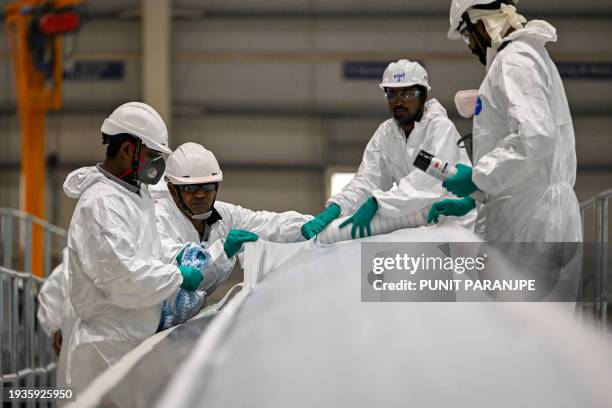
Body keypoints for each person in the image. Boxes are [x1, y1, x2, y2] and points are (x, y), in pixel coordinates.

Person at [62, 102, 204, 394]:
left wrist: (175, 259)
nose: (158, 166)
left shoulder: (137, 196)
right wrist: (177, 276)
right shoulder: (101, 203)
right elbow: (121, 276)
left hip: (132, 340)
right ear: (128, 149)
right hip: (107, 350)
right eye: (153, 156)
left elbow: (145, 254)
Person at [433, 0, 582, 243]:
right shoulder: (522, 56)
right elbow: (528, 158)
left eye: (465, 36)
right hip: (531, 216)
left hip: (528, 223)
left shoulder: (514, 61)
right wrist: (475, 196)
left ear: (482, 23)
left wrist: (476, 177)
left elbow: (534, 137)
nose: (469, 45)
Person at [301, 59, 474, 239]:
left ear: (423, 96)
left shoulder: (440, 128)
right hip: (420, 227)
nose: (398, 102)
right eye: (392, 95)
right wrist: (336, 208)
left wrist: (377, 202)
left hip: (458, 226)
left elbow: (427, 181)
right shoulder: (387, 133)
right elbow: (367, 180)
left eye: (407, 95)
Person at [152, 142, 313, 293]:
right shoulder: (157, 219)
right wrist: (224, 251)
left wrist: (302, 226)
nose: (201, 195)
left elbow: (264, 224)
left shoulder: (223, 214)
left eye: (208, 187)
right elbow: (183, 273)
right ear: (173, 190)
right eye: (191, 188)